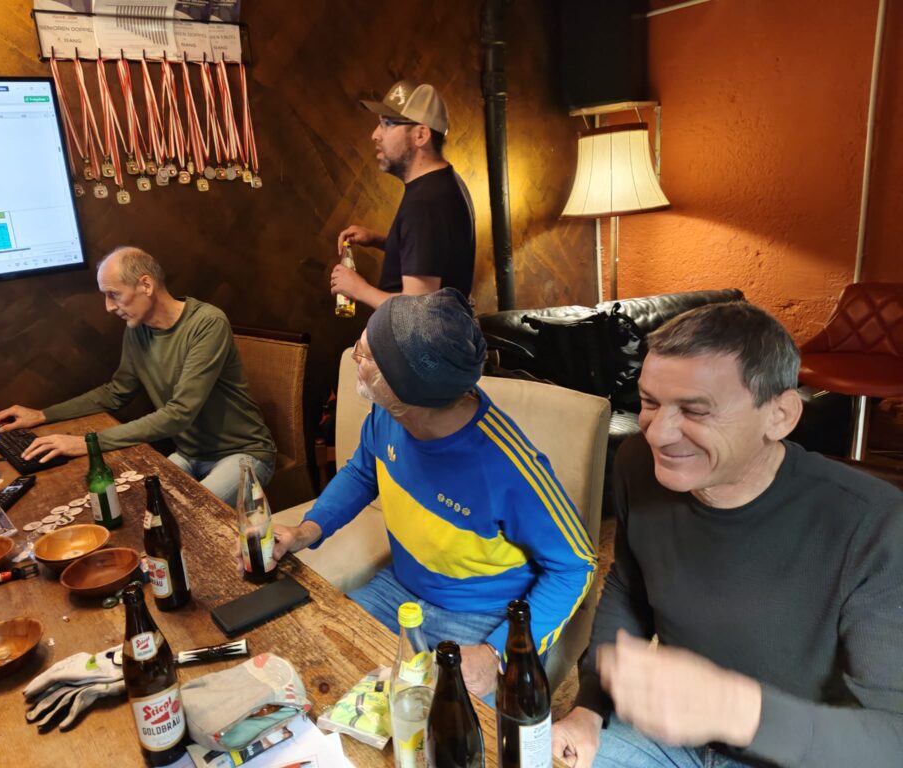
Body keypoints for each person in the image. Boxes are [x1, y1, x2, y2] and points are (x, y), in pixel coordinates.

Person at [551, 302, 903, 768]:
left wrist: (734, 711)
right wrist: (590, 708)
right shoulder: (639, 465)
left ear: (780, 416)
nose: (657, 434)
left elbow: (892, 740)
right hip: (669, 738)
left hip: (800, 754)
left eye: (695, 411)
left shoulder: (876, 525)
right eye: (650, 402)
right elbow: (629, 586)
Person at [268, 288, 597, 698]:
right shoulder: (388, 413)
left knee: (444, 724)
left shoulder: (510, 468)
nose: (354, 356)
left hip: (484, 616)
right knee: (315, 666)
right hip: (400, 591)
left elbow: (576, 567)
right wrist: (307, 530)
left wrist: (497, 653)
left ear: (406, 389)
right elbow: (362, 472)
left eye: (366, 354)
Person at [0, 246, 276, 506]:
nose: (109, 307)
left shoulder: (207, 322)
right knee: (138, 509)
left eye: (114, 294)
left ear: (146, 285)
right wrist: (42, 415)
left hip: (242, 453)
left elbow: (179, 414)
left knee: (184, 518)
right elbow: (116, 392)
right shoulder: (138, 329)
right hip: (189, 453)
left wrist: (87, 442)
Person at [331, 80, 475, 310]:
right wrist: (383, 241)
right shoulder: (445, 182)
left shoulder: (425, 203)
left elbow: (419, 311)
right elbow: (432, 254)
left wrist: (359, 289)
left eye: (387, 124)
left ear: (421, 135)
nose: (375, 135)